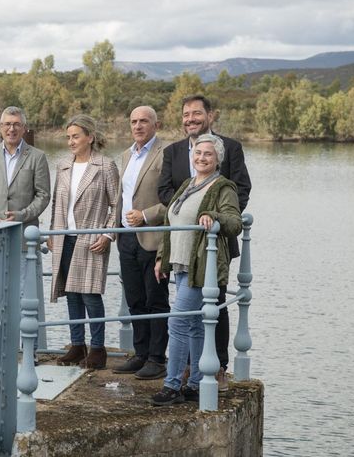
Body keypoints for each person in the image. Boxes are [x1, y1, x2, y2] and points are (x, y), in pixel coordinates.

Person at [158, 94, 252, 388]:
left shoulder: (230, 149)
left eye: (197, 113)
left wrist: (216, 217)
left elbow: (240, 191)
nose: (191, 119)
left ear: (210, 115)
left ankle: (215, 366)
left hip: (211, 245)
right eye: (186, 114)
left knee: (213, 308)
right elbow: (167, 195)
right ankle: (194, 374)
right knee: (195, 320)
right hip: (181, 249)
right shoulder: (174, 152)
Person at [48, 114, 119, 369]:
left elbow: (116, 206)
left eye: (75, 136)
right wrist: (51, 233)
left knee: (90, 295)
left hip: (91, 239)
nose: (70, 142)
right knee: (71, 294)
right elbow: (57, 202)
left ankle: (98, 350)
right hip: (64, 237)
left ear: (90, 137)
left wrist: (107, 234)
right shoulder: (63, 165)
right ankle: (77, 346)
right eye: (68, 137)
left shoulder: (105, 166)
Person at [111, 106, 170, 380]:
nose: (138, 126)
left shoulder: (166, 154)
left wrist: (146, 215)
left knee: (155, 300)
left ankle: (157, 359)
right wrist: (113, 230)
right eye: (133, 121)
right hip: (126, 237)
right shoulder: (125, 155)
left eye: (143, 121)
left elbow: (174, 197)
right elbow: (122, 197)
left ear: (155, 125)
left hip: (153, 237)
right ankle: (141, 354)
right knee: (134, 299)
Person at [0, 106, 51, 230]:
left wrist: (21, 216)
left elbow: (43, 195)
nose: (11, 129)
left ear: (24, 128)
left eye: (17, 124)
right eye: (7, 124)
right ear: (0, 127)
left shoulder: (37, 157)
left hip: (25, 232)